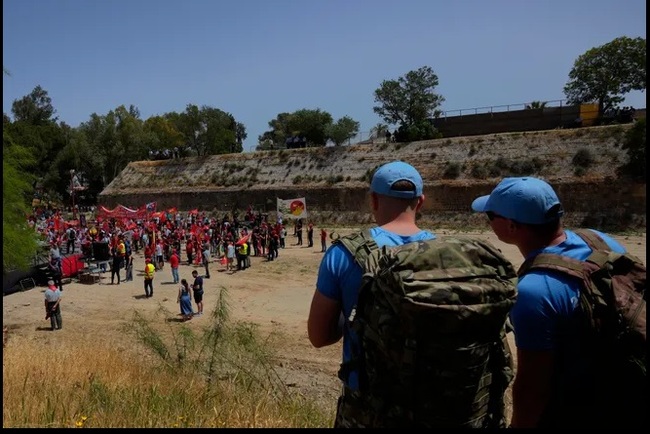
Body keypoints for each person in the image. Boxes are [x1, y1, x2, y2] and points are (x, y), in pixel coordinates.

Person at [470, 176, 628, 429]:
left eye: (490, 216)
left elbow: (533, 389)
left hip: (580, 409)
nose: (488, 222)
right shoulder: (599, 240)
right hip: (623, 386)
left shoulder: (533, 290)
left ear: (511, 227)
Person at [307, 160, 436, 427]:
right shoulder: (448, 253)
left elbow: (319, 337)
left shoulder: (344, 254)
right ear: (420, 202)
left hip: (370, 404)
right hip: (435, 400)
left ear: (373, 200)